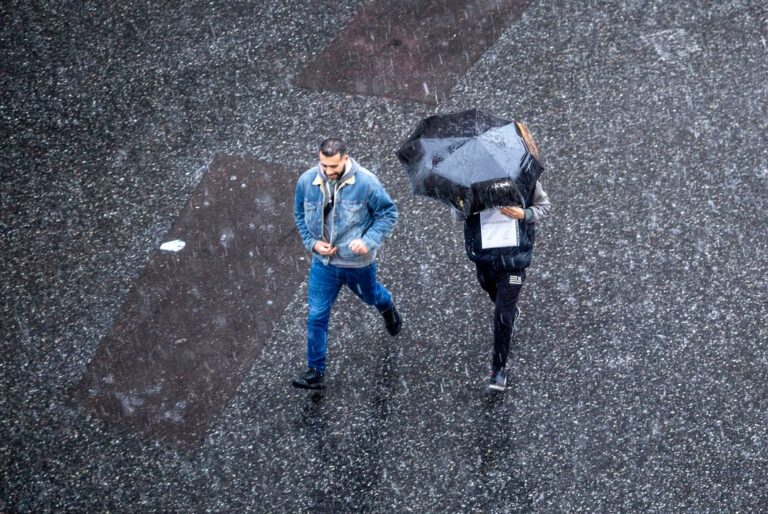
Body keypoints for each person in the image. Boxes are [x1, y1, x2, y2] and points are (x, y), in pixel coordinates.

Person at [292, 138, 401, 390]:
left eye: (333, 166)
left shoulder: (367, 183)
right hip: (324, 263)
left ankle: (388, 307)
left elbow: (388, 213)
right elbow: (299, 213)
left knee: (372, 296)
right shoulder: (307, 181)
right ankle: (315, 370)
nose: (328, 172)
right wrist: (312, 243)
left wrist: (368, 240)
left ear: (346, 158)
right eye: (323, 165)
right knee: (317, 315)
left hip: (357, 264)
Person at [453, 124, 551, 392]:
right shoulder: (468, 181)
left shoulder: (524, 177)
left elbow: (543, 207)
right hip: (484, 257)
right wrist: (465, 204)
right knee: (491, 292)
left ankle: (498, 369)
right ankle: (507, 310)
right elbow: (457, 214)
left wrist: (523, 214)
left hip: (514, 258)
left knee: (503, 314)